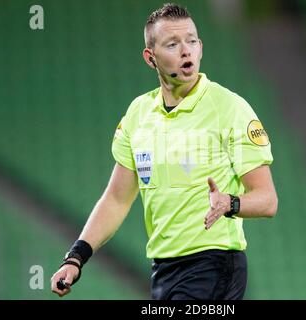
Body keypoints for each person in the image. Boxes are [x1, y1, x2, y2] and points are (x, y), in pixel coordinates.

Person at [51, 3, 278, 300]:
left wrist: (230, 203)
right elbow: (117, 199)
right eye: (173, 44)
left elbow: (268, 200)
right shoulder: (138, 114)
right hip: (163, 271)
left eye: (192, 41)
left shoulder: (229, 108)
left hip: (214, 264)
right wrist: (76, 257)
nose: (186, 51)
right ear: (150, 58)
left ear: (201, 48)